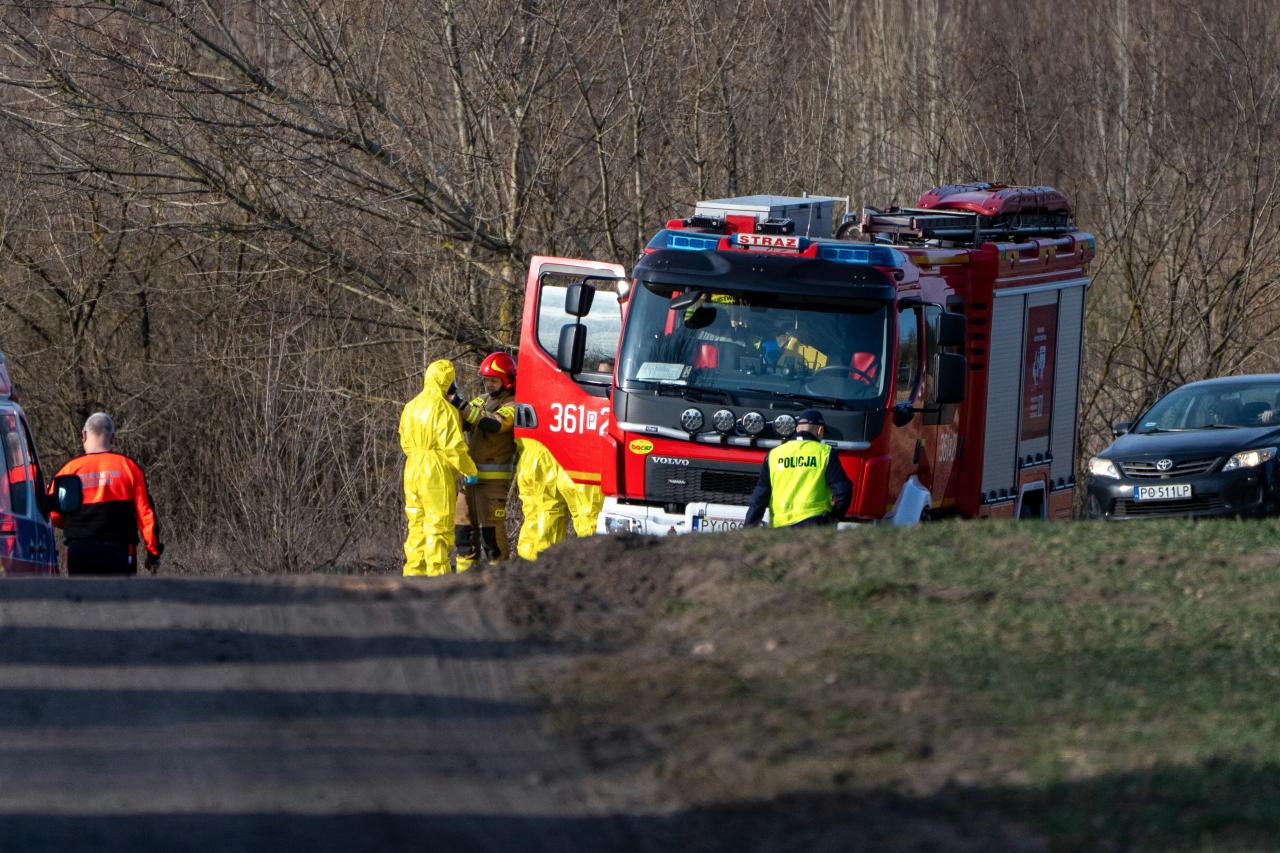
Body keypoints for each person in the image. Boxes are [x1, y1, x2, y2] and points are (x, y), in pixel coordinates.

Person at [49, 412, 163, 576]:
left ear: (84, 435)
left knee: (84, 599)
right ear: (112, 438)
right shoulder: (129, 468)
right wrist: (153, 551)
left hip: (79, 551)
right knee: (120, 599)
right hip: (120, 551)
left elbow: (53, 515)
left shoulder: (67, 471)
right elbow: (145, 514)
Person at [400, 359, 478, 577]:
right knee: (438, 526)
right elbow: (454, 446)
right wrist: (470, 470)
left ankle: (413, 574)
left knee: (416, 525)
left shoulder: (411, 406)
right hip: (435, 471)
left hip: (413, 466)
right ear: (447, 382)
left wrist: (419, 455)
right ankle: (438, 577)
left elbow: (405, 442)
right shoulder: (445, 409)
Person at [449, 352, 517, 572]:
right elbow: (463, 418)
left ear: (507, 379)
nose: (488, 384)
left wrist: (459, 403)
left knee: (492, 538)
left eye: (494, 380)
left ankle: (500, 582)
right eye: (486, 380)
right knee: (463, 534)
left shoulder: (513, 405)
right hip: (470, 482)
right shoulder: (482, 400)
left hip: (493, 484)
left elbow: (493, 423)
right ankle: (465, 581)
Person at [744, 409, 853, 528]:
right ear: (820, 431)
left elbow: (759, 498)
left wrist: (748, 528)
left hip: (780, 528)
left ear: (797, 429)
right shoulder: (825, 453)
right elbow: (844, 491)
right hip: (814, 525)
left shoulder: (774, 454)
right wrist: (834, 517)